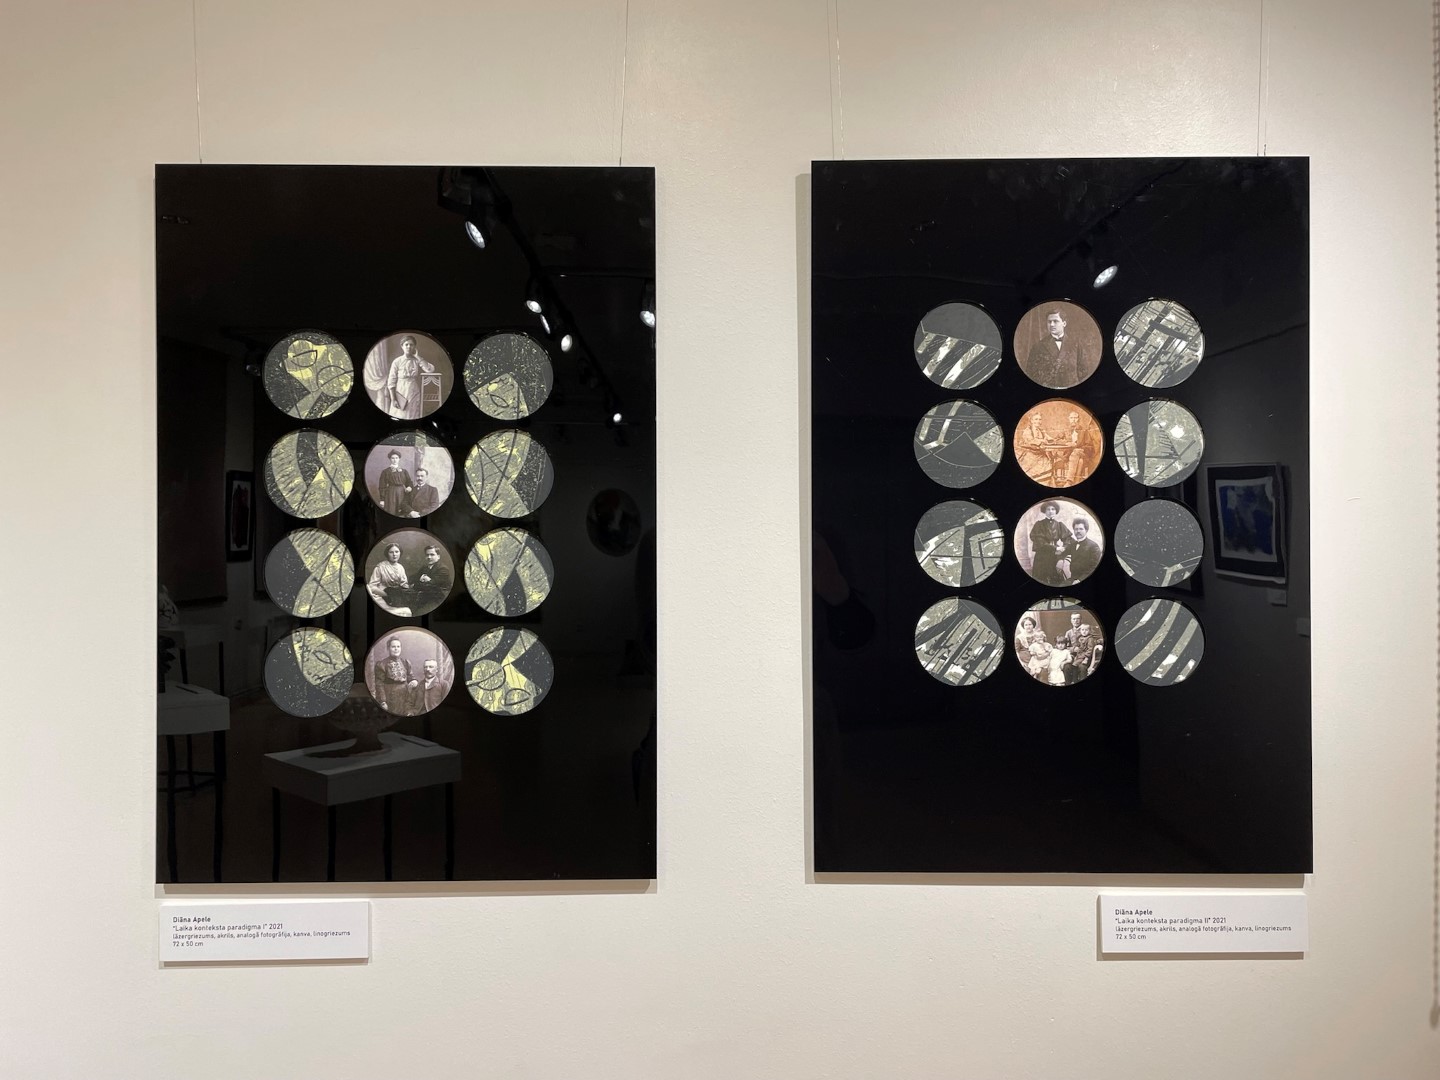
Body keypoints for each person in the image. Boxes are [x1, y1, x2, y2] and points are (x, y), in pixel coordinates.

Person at [1025, 309, 1090, 389]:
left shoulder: (1076, 345)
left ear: (1064, 323)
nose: (1052, 324)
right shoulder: (1038, 347)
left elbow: (1083, 372)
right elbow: (1030, 373)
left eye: (1055, 321)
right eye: (1049, 322)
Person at [383, 335, 436, 419]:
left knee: (413, 416)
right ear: (402, 346)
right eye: (406, 344)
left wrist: (418, 357)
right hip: (400, 392)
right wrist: (393, 399)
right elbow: (391, 382)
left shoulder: (417, 360)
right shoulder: (397, 361)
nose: (409, 347)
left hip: (413, 392)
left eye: (411, 345)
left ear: (414, 347)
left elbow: (430, 370)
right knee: (399, 415)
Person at [372, 637, 418, 713]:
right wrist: (383, 701)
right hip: (391, 697)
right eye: (393, 647)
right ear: (388, 648)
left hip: (406, 696)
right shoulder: (382, 664)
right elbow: (379, 684)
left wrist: (414, 681)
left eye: (398, 646)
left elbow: (411, 676)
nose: (396, 649)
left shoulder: (405, 662)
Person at [1028, 502, 1069, 584]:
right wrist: (1056, 548)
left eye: (1053, 509)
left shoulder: (1059, 525)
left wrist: (1064, 548)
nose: (1051, 511)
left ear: (1056, 511)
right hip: (1042, 555)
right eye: (1048, 509)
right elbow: (1039, 541)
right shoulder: (1039, 524)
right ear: (1045, 511)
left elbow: (1068, 539)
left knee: (1056, 580)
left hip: (1055, 555)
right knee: (1041, 579)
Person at [367, 543, 412, 615]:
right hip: (381, 595)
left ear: (400, 553)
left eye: (397, 552)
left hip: (396, 597)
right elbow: (372, 586)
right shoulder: (380, 567)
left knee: (407, 611)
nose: (394, 554)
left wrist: (407, 588)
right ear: (387, 554)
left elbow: (404, 584)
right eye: (391, 552)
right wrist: (386, 595)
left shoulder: (400, 567)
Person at [1059, 618, 1103, 684]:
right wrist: (1075, 648)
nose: (1084, 632)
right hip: (1078, 655)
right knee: (1072, 665)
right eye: (1082, 630)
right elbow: (1075, 645)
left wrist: (1086, 658)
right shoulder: (1079, 637)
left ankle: (1075, 680)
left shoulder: (1090, 639)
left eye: (1086, 630)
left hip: (1085, 656)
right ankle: (1073, 681)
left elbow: (1090, 649)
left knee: (1075, 665)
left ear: (1089, 631)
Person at [409, 544, 452, 611]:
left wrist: (415, 585)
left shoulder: (443, 569)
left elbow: (431, 586)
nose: (429, 557)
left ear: (438, 556)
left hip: (439, 599)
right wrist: (422, 579)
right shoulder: (425, 567)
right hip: (426, 596)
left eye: (432, 555)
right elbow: (411, 578)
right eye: (427, 555)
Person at [1058, 517, 1102, 582]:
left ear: (1086, 530)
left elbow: (1094, 567)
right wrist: (1060, 560)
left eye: (1081, 529)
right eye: (1076, 529)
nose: (1078, 531)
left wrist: (1080, 580)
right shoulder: (1072, 544)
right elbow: (1063, 553)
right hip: (1073, 578)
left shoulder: (1093, 546)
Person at [1015, 411, 1052, 482]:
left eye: (1040, 419)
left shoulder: (1042, 431)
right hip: (1030, 455)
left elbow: (1049, 439)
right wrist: (1042, 441)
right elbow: (1031, 441)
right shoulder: (1027, 431)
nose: (1038, 421)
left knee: (1048, 465)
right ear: (1031, 421)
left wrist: (1054, 440)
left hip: (1041, 454)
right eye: (1036, 419)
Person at [377, 450, 413, 516]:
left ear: (399, 459)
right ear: (390, 459)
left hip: (402, 493)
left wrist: (409, 487)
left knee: (402, 509)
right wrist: (382, 499)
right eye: (393, 458)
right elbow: (382, 486)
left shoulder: (404, 471)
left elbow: (409, 482)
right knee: (391, 510)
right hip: (391, 493)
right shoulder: (385, 471)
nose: (395, 460)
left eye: (396, 458)